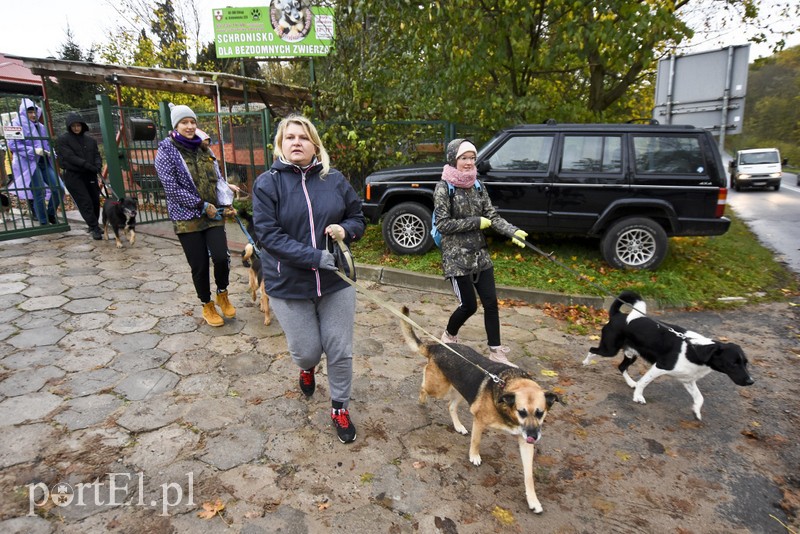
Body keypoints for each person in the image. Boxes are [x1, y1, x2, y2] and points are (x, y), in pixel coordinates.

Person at [251, 114, 366, 444]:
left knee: (340, 350)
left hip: (336, 281)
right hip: (288, 285)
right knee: (308, 352)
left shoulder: (335, 179)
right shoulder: (267, 184)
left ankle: (339, 407)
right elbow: (269, 237)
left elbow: (357, 216)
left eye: (303, 136)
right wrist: (314, 257)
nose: (296, 142)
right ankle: (306, 368)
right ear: (280, 145)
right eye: (289, 137)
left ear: (314, 143)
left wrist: (347, 230)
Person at [434, 138, 528, 367]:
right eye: (463, 158)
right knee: (469, 306)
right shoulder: (444, 188)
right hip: (456, 257)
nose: (468, 163)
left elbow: (492, 216)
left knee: (491, 303)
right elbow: (443, 225)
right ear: (453, 159)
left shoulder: (477, 185)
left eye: (472, 158)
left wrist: (513, 232)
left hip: (480, 255)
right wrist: (476, 222)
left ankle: (495, 351)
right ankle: (448, 336)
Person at [154, 104, 236, 327]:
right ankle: (207, 305)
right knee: (199, 264)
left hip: (213, 213)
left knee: (221, 256)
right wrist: (201, 205)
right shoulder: (166, 151)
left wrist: (226, 199)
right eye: (184, 122)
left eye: (192, 122)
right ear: (176, 125)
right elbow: (171, 188)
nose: (190, 126)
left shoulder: (204, 149)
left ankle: (222, 293)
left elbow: (216, 178)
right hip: (186, 217)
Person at [8, 98, 61, 225]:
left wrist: (51, 152)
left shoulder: (41, 126)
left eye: (34, 112)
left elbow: (46, 143)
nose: (33, 114)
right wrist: (34, 150)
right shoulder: (14, 124)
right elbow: (13, 145)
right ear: (23, 112)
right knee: (39, 192)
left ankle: (50, 214)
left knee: (58, 188)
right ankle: (43, 222)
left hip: (43, 162)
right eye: (29, 112)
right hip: (28, 163)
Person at [57, 112, 103, 239]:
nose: (76, 128)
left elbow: (96, 155)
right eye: (73, 126)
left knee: (94, 201)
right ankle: (94, 227)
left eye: (78, 125)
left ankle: (94, 224)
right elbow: (70, 157)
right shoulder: (63, 140)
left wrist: (98, 166)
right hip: (74, 175)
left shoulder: (91, 140)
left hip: (90, 174)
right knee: (85, 201)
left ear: (83, 126)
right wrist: (88, 165)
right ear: (69, 127)